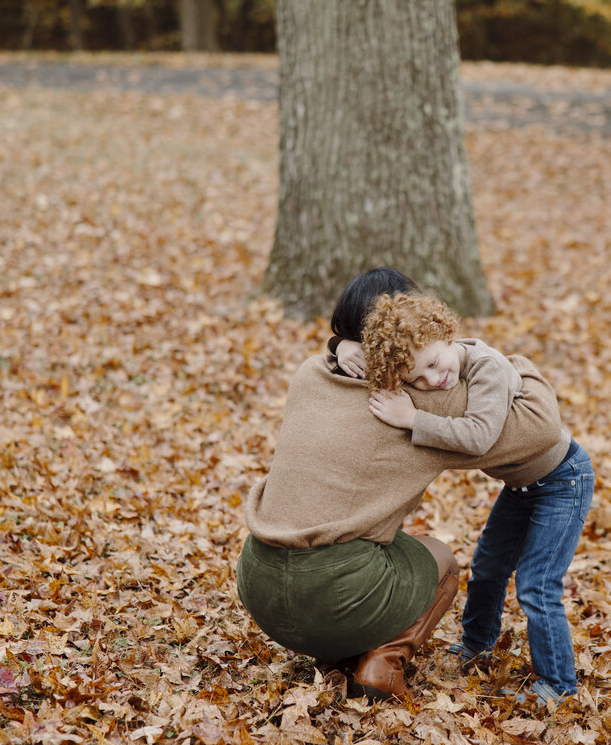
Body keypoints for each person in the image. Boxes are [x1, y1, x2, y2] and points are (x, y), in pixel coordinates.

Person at [236, 268, 568, 700]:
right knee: (440, 560)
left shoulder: (308, 375)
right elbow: (542, 428)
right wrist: (511, 363)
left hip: (259, 585)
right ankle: (382, 663)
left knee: (382, 545)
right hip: (331, 592)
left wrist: (338, 346)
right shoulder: (418, 402)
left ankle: (338, 653)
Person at [359, 292, 594, 704]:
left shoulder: (488, 366)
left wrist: (414, 418)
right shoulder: (447, 370)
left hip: (563, 479)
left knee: (537, 584)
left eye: (434, 363)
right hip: (521, 488)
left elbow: (479, 436)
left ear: (447, 334)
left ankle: (559, 684)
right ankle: (477, 644)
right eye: (418, 379)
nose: (434, 380)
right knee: (487, 566)